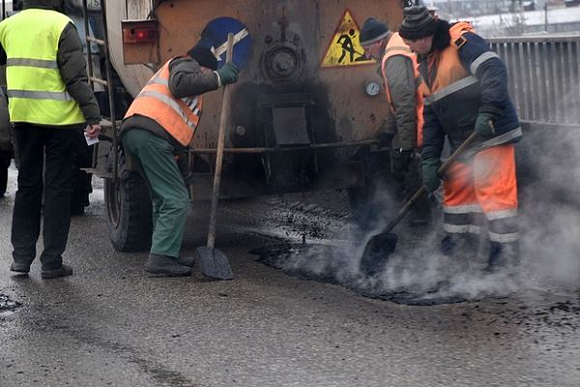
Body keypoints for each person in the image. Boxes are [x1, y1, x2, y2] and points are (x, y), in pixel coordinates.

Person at [398, 6, 522, 276]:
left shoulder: (461, 42)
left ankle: (504, 261)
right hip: (463, 143)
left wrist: (488, 111)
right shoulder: (426, 65)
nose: (408, 47)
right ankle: (459, 252)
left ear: (424, 36)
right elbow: (431, 119)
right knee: (457, 194)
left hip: (490, 132)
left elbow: (494, 70)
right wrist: (430, 159)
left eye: (410, 41)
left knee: (496, 198)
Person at [0, 0, 101, 278]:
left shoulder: (7, 25)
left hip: (23, 117)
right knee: (57, 190)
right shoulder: (60, 25)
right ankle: (51, 262)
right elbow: (75, 78)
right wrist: (93, 115)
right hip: (60, 121)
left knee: (28, 186)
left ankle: (21, 259)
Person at [120, 43, 239, 277]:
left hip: (141, 135)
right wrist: (218, 77)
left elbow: (176, 132)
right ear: (204, 67)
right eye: (208, 72)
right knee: (176, 199)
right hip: (149, 135)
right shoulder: (185, 63)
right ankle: (160, 260)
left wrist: (182, 169)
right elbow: (180, 84)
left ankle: (165, 253)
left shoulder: (189, 90)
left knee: (162, 198)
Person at [359, 17, 430, 226]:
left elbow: (406, 107)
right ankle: (423, 219)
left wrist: (404, 149)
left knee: (415, 169)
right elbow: (397, 104)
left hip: (428, 119)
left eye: (366, 48)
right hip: (430, 114)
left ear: (378, 43)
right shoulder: (397, 45)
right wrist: (388, 132)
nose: (366, 54)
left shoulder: (393, 59)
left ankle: (425, 222)